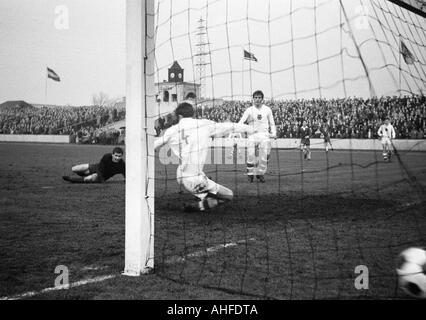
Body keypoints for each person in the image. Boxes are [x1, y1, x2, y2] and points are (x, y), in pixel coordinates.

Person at [154, 102, 255, 212]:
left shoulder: (172, 130)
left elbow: (156, 144)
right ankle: (197, 207)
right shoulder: (204, 124)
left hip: (181, 175)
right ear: (192, 114)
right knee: (228, 195)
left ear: (180, 116)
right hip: (194, 179)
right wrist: (250, 129)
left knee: (206, 184)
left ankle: (202, 196)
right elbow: (229, 126)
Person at [238, 90, 276, 183]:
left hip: (265, 135)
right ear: (253, 99)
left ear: (262, 99)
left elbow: (272, 123)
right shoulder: (249, 110)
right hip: (253, 135)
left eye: (259, 98)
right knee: (251, 154)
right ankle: (250, 174)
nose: (257, 99)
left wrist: (274, 133)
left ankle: (260, 173)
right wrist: (247, 129)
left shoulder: (267, 109)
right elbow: (240, 123)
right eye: (256, 97)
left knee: (265, 155)